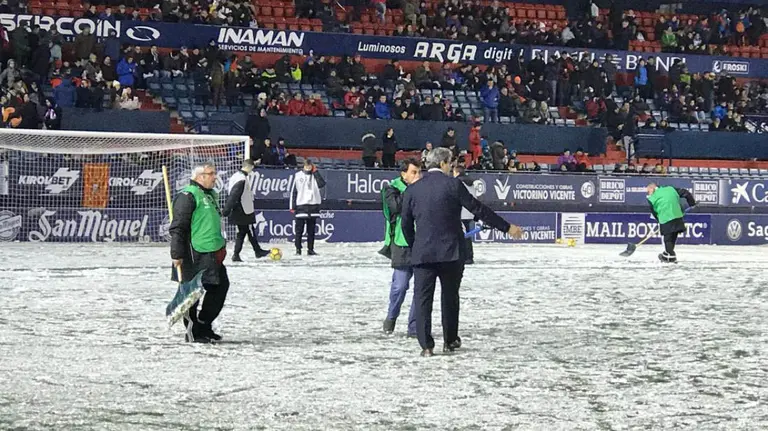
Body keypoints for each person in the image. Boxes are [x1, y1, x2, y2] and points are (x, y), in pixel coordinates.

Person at [401, 148, 523, 357]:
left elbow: (405, 225)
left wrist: (416, 246)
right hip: (451, 252)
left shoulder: (412, 190)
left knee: (422, 299)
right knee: (450, 298)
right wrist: (507, 227)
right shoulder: (453, 185)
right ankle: (449, 340)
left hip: (423, 254)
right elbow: (479, 210)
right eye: (450, 163)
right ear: (442, 164)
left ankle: (426, 346)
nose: (451, 167)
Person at [169, 163, 230, 343]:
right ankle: (192, 331)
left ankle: (204, 325)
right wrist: (176, 254)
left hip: (212, 251)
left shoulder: (209, 195)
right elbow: (178, 227)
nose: (215, 177)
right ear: (199, 176)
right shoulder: (187, 196)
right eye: (211, 174)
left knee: (219, 287)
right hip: (193, 254)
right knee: (192, 294)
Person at [379, 158, 422, 337]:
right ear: (403, 174)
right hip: (401, 243)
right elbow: (395, 207)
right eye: (413, 172)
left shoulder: (423, 189)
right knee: (400, 286)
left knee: (421, 290)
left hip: (421, 243)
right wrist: (412, 191)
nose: (417, 176)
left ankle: (414, 327)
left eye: (419, 172)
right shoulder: (391, 188)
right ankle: (391, 317)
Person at [223, 159, 270, 262]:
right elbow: (234, 195)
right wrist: (226, 209)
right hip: (243, 209)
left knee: (244, 231)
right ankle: (250, 252)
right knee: (247, 231)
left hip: (239, 209)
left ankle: (251, 251)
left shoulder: (236, 176)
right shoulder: (241, 179)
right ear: (249, 167)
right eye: (252, 168)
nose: (252, 170)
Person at [646, 183, 696, 263]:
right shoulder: (671, 189)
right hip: (677, 216)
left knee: (668, 239)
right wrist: (692, 203)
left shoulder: (651, 198)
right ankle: (667, 255)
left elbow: (654, 213)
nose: (648, 193)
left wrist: (660, 221)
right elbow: (686, 193)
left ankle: (671, 257)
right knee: (673, 236)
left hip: (665, 218)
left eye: (648, 191)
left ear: (652, 189)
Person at [289, 159, 326, 255]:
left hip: (313, 206)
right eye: (307, 167)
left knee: (311, 230)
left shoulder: (315, 175)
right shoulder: (298, 176)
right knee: (299, 230)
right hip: (301, 205)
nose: (308, 168)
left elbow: (322, 184)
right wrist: (292, 206)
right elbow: (294, 191)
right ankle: (298, 249)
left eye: (310, 167)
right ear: (303, 166)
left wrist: (316, 172)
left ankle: (310, 249)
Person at [453, 165, 476, 265]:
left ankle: (462, 256)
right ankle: (469, 256)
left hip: (460, 213)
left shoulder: (458, 183)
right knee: (467, 236)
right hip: (469, 213)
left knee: (460, 236)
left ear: (457, 173)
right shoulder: (471, 183)